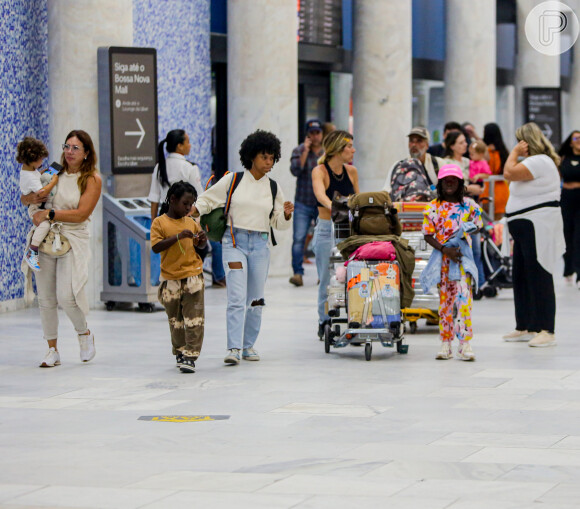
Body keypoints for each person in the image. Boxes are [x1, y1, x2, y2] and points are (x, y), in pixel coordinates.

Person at [192, 130, 293, 365]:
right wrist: (193, 211)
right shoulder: (233, 180)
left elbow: (277, 222)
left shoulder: (274, 188)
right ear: (251, 156)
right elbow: (208, 199)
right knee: (236, 297)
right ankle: (234, 348)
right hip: (233, 243)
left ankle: (248, 346)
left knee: (256, 299)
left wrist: (286, 215)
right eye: (264, 157)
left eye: (272, 158)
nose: (269, 162)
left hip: (260, 245)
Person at [22, 130, 102, 367]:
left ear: (87, 153)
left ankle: (84, 334)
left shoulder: (91, 179)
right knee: (45, 298)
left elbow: (81, 214)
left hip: (72, 238)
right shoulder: (52, 172)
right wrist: (32, 202)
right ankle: (52, 350)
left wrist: (49, 213)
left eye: (75, 148)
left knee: (67, 296)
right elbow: (27, 197)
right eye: (67, 146)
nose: (69, 152)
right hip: (46, 238)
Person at [502, 123, 564, 347]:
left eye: (519, 141)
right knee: (521, 276)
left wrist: (514, 153)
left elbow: (508, 172)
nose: (517, 145)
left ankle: (547, 329)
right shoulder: (534, 163)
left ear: (526, 142)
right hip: (523, 225)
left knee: (539, 274)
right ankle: (526, 325)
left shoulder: (539, 161)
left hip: (537, 224)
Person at [421, 164, 483, 361]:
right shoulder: (433, 207)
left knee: (464, 300)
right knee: (445, 303)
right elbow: (427, 234)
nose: (449, 183)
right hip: (444, 261)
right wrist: (444, 249)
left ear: (460, 183)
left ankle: (465, 344)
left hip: (462, 260)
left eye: (453, 180)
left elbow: (479, 224)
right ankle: (445, 343)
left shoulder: (470, 205)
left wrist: (465, 232)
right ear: (440, 183)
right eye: (446, 180)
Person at [151, 181, 207, 373]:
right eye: (185, 203)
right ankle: (180, 351)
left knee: (194, 319)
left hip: (193, 277)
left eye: (191, 204)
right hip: (170, 279)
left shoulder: (191, 222)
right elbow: (156, 247)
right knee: (175, 321)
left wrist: (202, 241)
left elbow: (199, 246)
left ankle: (191, 355)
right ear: (173, 200)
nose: (188, 208)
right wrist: (177, 237)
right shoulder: (159, 223)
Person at [311, 130, 359, 338]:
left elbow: (357, 198)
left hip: (348, 229)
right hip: (326, 228)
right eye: (349, 146)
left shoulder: (352, 172)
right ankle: (325, 321)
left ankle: (355, 317)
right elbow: (320, 195)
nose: (353, 150)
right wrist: (336, 206)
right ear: (338, 149)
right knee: (326, 276)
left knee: (353, 274)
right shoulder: (319, 171)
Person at [289, 119, 324, 287]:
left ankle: (322, 273)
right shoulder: (299, 150)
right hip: (303, 201)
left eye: (317, 132)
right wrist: (305, 150)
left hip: (321, 202)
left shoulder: (326, 153)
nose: (315, 136)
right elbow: (295, 170)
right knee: (299, 238)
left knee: (322, 238)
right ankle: (297, 273)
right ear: (307, 134)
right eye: (312, 133)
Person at [17, 137, 57, 272]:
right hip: (35, 208)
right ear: (32, 159)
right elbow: (41, 193)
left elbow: (35, 178)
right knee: (45, 224)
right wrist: (53, 181)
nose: (42, 162)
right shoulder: (29, 176)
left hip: (38, 205)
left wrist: (44, 172)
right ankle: (32, 251)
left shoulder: (28, 170)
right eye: (40, 159)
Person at [148, 129, 202, 221]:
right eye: (188, 142)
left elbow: (154, 199)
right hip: (185, 216)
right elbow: (199, 198)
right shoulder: (190, 167)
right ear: (179, 146)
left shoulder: (159, 167)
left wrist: (154, 224)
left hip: (164, 216)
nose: (190, 145)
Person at [385, 126, 439, 201]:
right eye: (411, 141)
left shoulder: (438, 164)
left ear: (427, 145)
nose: (414, 144)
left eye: (419, 141)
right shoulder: (398, 166)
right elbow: (387, 191)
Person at [558, 130, 580, 286]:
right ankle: (568, 268)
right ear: (571, 141)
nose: (579, 140)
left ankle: (579, 272)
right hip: (566, 197)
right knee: (566, 233)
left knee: (579, 234)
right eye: (576, 138)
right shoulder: (563, 158)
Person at [482, 123, 510, 218]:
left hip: (486, 190)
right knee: (499, 225)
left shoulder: (485, 151)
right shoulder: (503, 151)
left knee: (486, 224)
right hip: (502, 190)